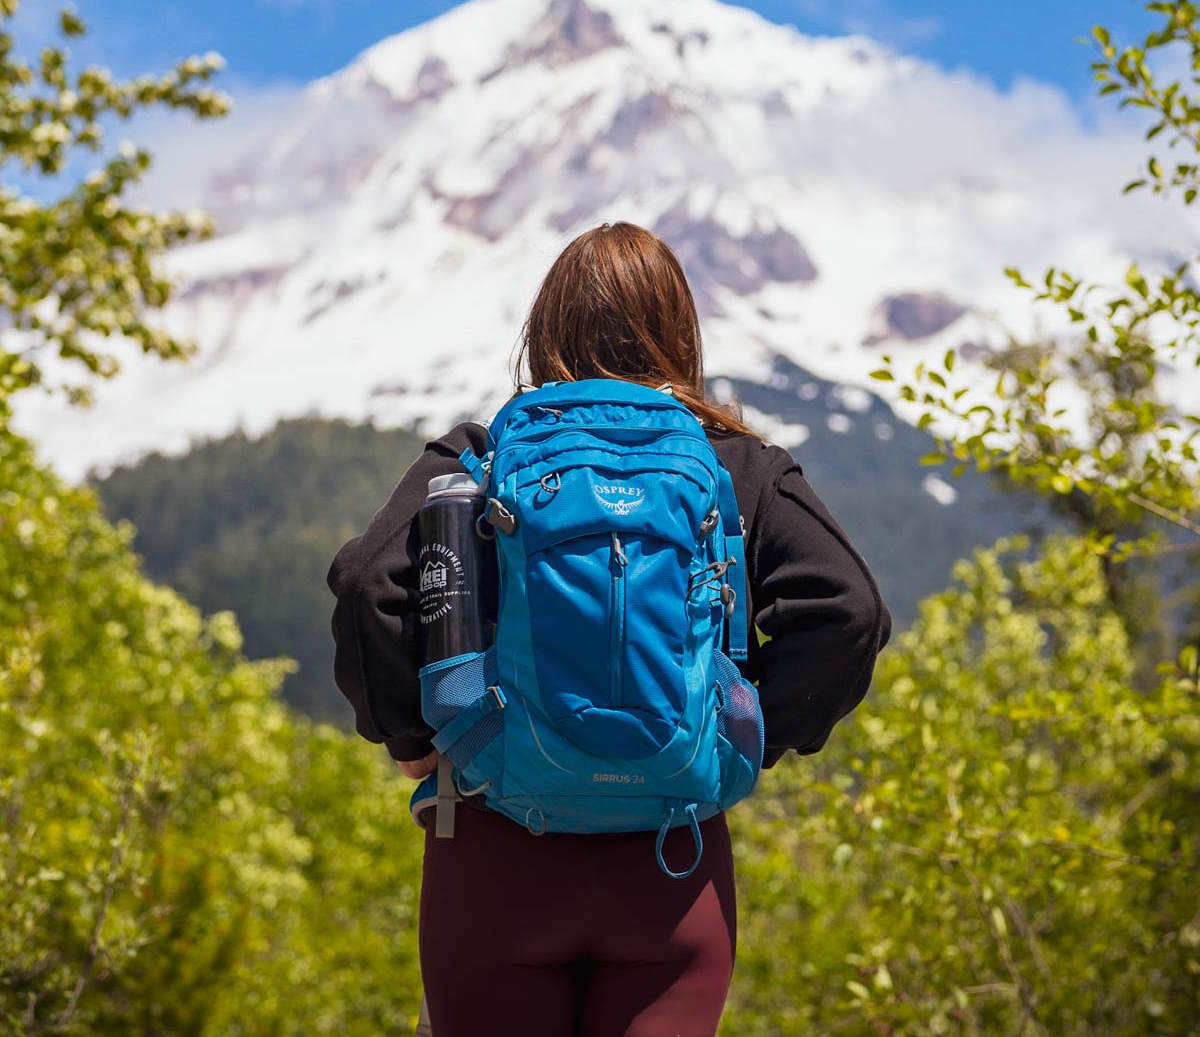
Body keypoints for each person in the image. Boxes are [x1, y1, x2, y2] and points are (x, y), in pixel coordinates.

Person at [327, 221, 892, 1037]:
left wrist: (407, 731)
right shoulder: (735, 465)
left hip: (495, 850)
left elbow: (364, 584)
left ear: (544, 331)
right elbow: (848, 611)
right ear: (681, 334)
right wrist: (741, 732)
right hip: (673, 865)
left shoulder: (483, 456)